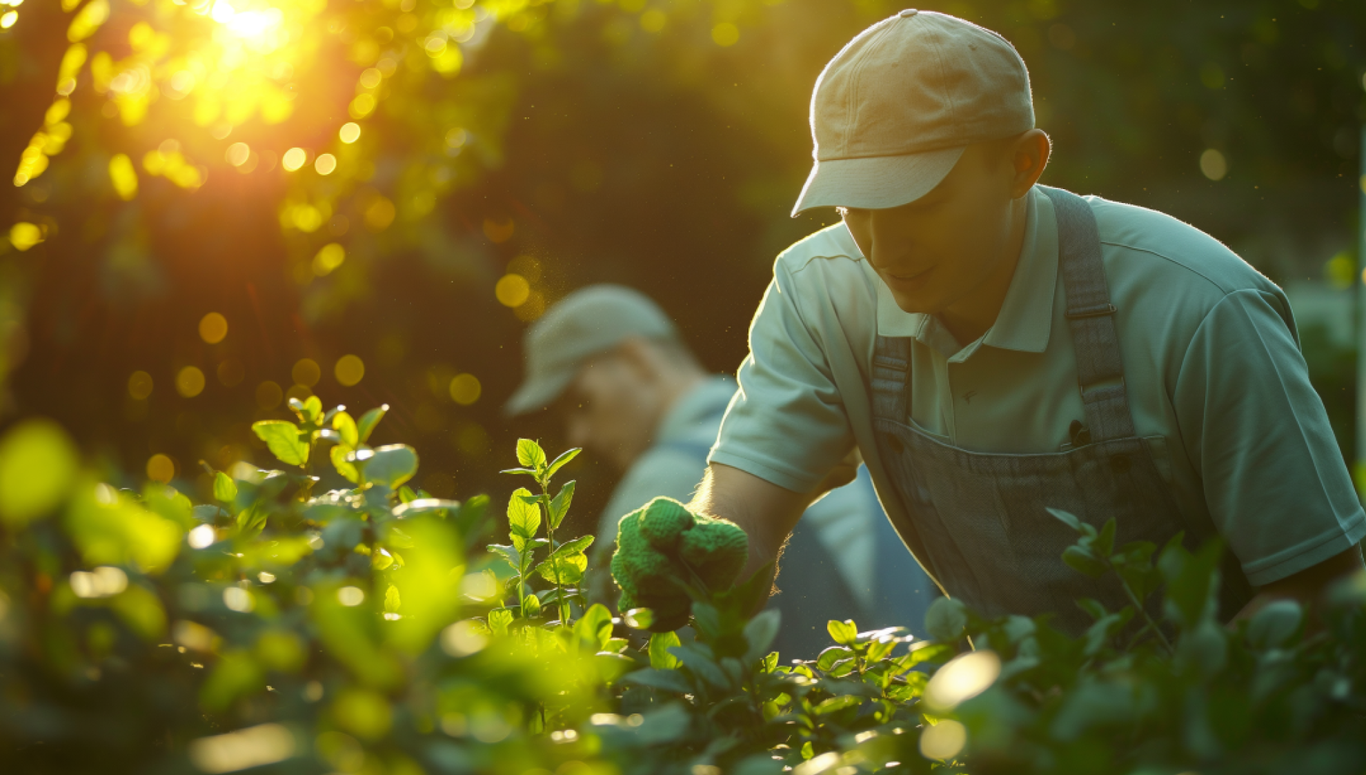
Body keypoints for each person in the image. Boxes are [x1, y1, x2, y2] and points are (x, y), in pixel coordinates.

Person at [637, 10, 1366, 635]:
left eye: (918, 203)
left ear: (1024, 164)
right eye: (854, 207)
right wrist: (706, 549)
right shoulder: (820, 293)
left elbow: (1323, 587)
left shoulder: (1198, 308)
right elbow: (745, 513)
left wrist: (1161, 724)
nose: (884, 249)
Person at [505, 285, 937, 654]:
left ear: (637, 360)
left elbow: (613, 659)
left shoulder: (667, 477)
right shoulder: (812, 425)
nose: (579, 434)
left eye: (582, 401)